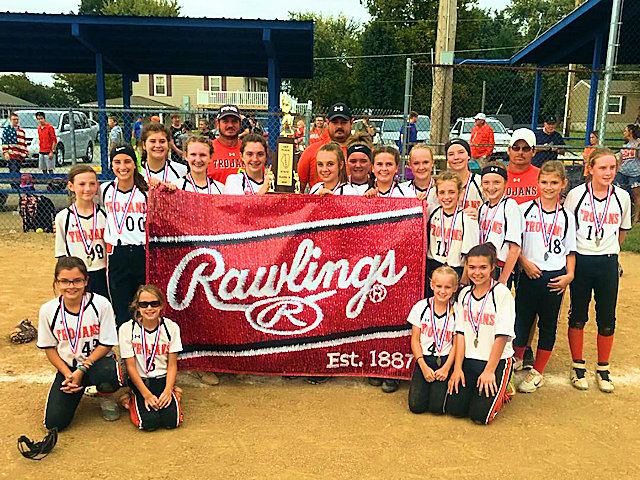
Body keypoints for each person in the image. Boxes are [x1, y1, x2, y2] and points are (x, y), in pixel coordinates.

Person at [564, 148, 631, 393]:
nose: (608, 172)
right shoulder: (576, 195)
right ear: (590, 169)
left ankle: (603, 368)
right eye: (602, 168)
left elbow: (622, 230)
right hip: (582, 261)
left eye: (612, 168)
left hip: (607, 262)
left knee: (607, 317)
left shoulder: (622, 197)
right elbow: (568, 230)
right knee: (579, 314)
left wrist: (609, 250)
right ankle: (577, 365)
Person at [37, 257, 124, 430]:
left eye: (77, 281)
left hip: (96, 365)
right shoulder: (48, 310)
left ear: (86, 281)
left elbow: (106, 343)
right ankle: (75, 386)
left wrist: (82, 370)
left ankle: (105, 395)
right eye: (65, 281)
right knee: (54, 423)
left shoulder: (101, 304)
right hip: (68, 368)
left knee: (110, 371)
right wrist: (69, 375)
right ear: (57, 282)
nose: (71, 286)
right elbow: (49, 348)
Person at [514, 161, 576, 392]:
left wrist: (569, 275)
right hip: (529, 272)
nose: (548, 187)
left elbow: (571, 251)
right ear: (537, 183)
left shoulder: (567, 217)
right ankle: (519, 357)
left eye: (554, 183)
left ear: (563, 184)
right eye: (544, 182)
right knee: (522, 319)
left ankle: (538, 370)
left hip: (555, 278)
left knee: (548, 324)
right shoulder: (524, 210)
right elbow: (515, 245)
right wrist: (524, 262)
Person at [446, 243, 515, 425]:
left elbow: (502, 337)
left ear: (493, 267)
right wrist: (458, 368)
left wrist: (489, 371)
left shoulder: (502, 294)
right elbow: (460, 334)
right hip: (469, 359)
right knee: (455, 410)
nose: (477, 272)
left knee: (480, 417)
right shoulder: (464, 295)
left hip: (495, 360)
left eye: (483, 267)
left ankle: (504, 387)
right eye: (472, 267)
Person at [119, 285, 183, 431]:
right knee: (148, 424)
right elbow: (130, 366)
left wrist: (167, 390)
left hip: (162, 379)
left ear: (161, 305)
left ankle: (174, 393)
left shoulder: (171, 327)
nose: (149, 308)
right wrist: (146, 395)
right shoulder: (127, 329)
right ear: (137, 307)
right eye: (144, 304)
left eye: (154, 304)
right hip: (141, 381)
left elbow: (172, 365)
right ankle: (130, 399)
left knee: (172, 422)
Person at [100, 144, 149, 328]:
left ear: (135, 164)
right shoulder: (104, 190)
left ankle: (144, 347)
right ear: (111, 165)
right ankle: (125, 353)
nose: (123, 167)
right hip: (117, 255)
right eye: (117, 162)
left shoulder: (145, 191)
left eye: (127, 161)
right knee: (121, 307)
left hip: (141, 253)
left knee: (144, 304)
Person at [408, 266, 459, 415]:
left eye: (447, 287)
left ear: (455, 288)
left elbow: (456, 344)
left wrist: (446, 368)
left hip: (444, 361)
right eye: (439, 286)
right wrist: (422, 365)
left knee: (437, 409)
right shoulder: (421, 307)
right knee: (416, 407)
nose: (442, 291)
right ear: (432, 285)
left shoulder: (457, 311)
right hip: (424, 360)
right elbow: (415, 340)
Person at [55, 165, 108, 298]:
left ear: (97, 186)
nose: (87, 189)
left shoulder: (105, 214)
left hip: (102, 274)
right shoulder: (63, 217)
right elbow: (61, 255)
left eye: (92, 184)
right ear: (71, 186)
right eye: (82, 184)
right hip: (77, 277)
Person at [426, 170, 479, 291]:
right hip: (434, 267)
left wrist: (465, 278)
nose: (446, 197)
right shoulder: (432, 212)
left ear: (460, 193)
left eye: (451, 192)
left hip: (457, 270)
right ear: (437, 194)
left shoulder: (467, 218)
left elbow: (470, 253)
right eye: (442, 192)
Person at [478, 162, 522, 286]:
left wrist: (503, 279)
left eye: (497, 182)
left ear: (505, 183)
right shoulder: (483, 208)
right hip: (481, 266)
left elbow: (515, 248)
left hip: (499, 267)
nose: (491, 187)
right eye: (486, 183)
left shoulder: (510, 206)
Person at [298, 103, 353, 192]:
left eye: (343, 122)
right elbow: (300, 188)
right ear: (327, 123)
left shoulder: (362, 154)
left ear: (351, 123)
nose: (339, 126)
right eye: (335, 122)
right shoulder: (311, 151)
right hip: (318, 204)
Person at [207, 104, 243, 184]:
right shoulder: (207, 149)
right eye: (225, 121)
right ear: (217, 123)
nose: (230, 125)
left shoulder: (249, 150)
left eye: (234, 121)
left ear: (240, 124)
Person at [445, 139, 485, 211]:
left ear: (468, 156)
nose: (456, 157)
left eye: (461, 152)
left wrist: (480, 217)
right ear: (447, 159)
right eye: (451, 154)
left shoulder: (481, 182)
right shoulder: (441, 185)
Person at [505, 128, 540, 205]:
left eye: (526, 149)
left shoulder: (543, 177)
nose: (520, 152)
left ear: (534, 151)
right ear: (508, 150)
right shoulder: (498, 176)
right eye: (516, 148)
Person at [614, 124, 640, 223]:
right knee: (620, 193)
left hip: (635, 173)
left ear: (630, 132)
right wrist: (618, 170)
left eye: (625, 131)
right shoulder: (624, 146)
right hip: (623, 172)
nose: (624, 133)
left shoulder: (637, 145)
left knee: (636, 195)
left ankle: (636, 217)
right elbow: (620, 160)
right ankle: (621, 214)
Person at [1, 112, 27, 189]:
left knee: (17, 169)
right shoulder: (7, 130)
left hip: (19, 155)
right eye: (14, 119)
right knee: (13, 170)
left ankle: (16, 184)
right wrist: (6, 153)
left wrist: (24, 152)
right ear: (10, 120)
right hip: (11, 154)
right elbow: (4, 142)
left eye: (17, 119)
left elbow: (23, 142)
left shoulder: (21, 131)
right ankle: (15, 186)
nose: (16, 121)